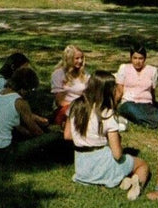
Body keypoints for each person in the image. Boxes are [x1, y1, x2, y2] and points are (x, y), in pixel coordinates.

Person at [64, 71, 151, 200]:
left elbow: (67, 136)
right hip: (101, 163)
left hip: (82, 166)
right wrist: (118, 142)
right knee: (142, 165)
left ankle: (124, 180)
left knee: (119, 164)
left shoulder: (74, 106)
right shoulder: (106, 113)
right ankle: (136, 184)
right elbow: (117, 154)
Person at [0, 66, 53, 158]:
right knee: (54, 137)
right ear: (25, 89)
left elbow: (16, 125)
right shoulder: (20, 102)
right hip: (5, 150)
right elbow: (36, 131)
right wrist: (47, 136)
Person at [114, 44, 158, 128]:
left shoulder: (152, 70)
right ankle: (153, 123)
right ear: (131, 58)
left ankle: (145, 121)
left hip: (146, 104)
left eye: (140, 58)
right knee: (132, 110)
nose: (137, 61)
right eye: (135, 58)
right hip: (129, 103)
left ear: (145, 59)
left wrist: (154, 104)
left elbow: (152, 91)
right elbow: (119, 91)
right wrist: (114, 106)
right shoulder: (124, 68)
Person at [50, 44, 89, 126]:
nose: (80, 61)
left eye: (82, 58)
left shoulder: (85, 74)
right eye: (77, 58)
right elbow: (60, 101)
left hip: (83, 105)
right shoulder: (58, 74)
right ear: (69, 59)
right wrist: (77, 106)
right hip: (66, 106)